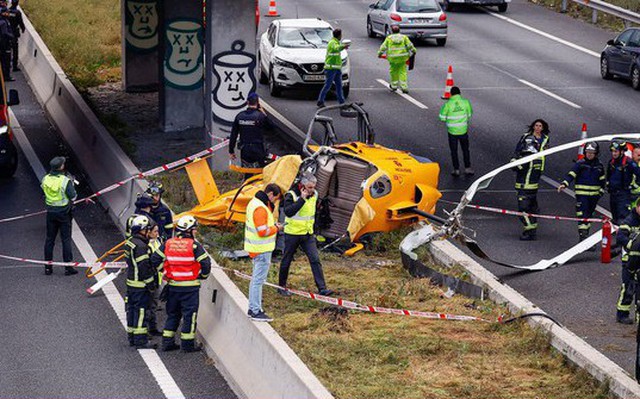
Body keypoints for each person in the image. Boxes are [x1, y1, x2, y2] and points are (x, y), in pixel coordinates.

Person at [151, 215, 211, 352]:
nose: (196, 232)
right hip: (190, 288)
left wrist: (164, 271)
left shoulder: (168, 243)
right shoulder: (194, 245)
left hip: (172, 286)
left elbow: (154, 259)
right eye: (194, 229)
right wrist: (203, 275)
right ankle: (187, 345)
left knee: (173, 314)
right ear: (189, 230)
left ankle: (167, 342)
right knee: (190, 316)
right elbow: (206, 263)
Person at [278, 174, 333, 297]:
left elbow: (313, 213)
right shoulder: (291, 195)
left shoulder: (315, 194)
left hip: (307, 234)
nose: (312, 190)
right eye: (309, 187)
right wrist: (302, 199)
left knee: (315, 259)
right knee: (287, 259)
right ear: (302, 186)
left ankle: (322, 288)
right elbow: (288, 212)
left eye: (313, 187)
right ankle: (281, 286)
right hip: (292, 233)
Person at [245, 183, 283, 322]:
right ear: (270, 194)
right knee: (258, 281)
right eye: (275, 198)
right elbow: (263, 231)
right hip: (261, 249)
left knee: (256, 280)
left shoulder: (254, 203)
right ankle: (255, 310)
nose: (274, 202)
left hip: (256, 248)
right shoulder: (260, 208)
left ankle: (253, 308)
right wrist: (276, 228)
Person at [558, 141, 605, 244]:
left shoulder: (599, 166)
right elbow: (571, 174)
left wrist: (601, 192)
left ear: (596, 153)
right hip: (582, 195)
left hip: (594, 196)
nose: (589, 154)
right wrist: (564, 184)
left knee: (589, 216)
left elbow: (602, 181)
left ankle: (585, 236)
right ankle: (583, 237)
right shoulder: (580, 164)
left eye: (592, 153)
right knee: (582, 215)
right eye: (588, 152)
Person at [511, 119, 550, 241]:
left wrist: (517, 164)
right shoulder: (525, 137)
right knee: (531, 207)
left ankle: (529, 229)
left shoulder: (544, 139)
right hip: (530, 178)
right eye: (536, 125)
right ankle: (531, 228)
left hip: (530, 178)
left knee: (524, 208)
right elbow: (517, 151)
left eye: (540, 126)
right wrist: (515, 160)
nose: (538, 128)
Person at [124, 215, 157, 349]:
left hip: (131, 283)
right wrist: (151, 284)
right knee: (141, 312)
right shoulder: (142, 246)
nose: (149, 232)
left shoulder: (130, 242)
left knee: (131, 311)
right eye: (148, 229)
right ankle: (140, 340)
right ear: (142, 230)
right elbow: (144, 267)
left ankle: (132, 337)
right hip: (140, 285)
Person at [42, 156, 78, 275]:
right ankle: (68, 267)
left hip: (50, 213)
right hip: (64, 213)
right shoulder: (65, 180)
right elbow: (73, 196)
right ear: (61, 167)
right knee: (66, 240)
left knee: (49, 239)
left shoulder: (45, 179)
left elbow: (43, 192)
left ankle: (48, 267)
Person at [229, 92, 273, 178]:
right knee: (260, 175)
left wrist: (231, 150)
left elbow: (233, 134)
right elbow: (271, 128)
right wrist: (264, 113)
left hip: (245, 150)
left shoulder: (239, 116)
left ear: (247, 103)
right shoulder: (260, 116)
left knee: (247, 173)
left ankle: (246, 189)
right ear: (257, 103)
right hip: (258, 149)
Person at [438, 86, 474, 177]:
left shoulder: (447, 105)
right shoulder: (466, 103)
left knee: (454, 151)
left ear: (451, 94)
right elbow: (469, 114)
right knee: (465, 150)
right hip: (463, 131)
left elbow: (441, 118)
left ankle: (456, 169)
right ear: (459, 93)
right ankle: (467, 168)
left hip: (452, 132)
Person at [616, 199, 640, 324]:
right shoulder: (629, 221)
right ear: (637, 207)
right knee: (628, 287)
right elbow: (620, 237)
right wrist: (633, 245)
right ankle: (622, 313)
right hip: (629, 261)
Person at [377, 25, 416, 93]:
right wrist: (414, 51)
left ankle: (394, 86)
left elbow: (383, 47)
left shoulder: (389, 38)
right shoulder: (404, 37)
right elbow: (410, 45)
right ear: (399, 30)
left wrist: (379, 54)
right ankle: (404, 87)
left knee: (393, 71)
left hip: (393, 58)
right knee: (402, 72)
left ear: (392, 31)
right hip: (403, 58)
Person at [316, 28, 349, 108]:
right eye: (341, 34)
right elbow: (336, 48)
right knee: (328, 85)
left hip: (336, 69)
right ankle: (320, 101)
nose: (342, 36)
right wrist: (343, 47)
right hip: (331, 69)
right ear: (339, 35)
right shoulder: (332, 42)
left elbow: (337, 49)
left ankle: (342, 102)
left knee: (339, 86)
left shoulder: (336, 42)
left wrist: (342, 47)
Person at [607, 141, 636, 225]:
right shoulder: (611, 162)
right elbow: (608, 175)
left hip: (623, 195)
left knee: (623, 218)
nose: (613, 154)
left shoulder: (629, 163)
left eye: (616, 151)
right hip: (613, 194)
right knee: (615, 218)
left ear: (622, 151)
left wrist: (634, 186)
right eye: (612, 151)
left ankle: (625, 236)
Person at [146, 223, 163, 337]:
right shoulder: (146, 245)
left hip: (157, 279)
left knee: (154, 305)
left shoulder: (158, 242)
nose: (157, 234)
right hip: (150, 279)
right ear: (148, 232)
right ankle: (146, 329)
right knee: (148, 305)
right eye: (155, 231)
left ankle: (153, 328)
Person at [7, 0, 23, 72]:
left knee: (7, 50)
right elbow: (20, 22)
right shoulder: (17, 13)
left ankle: (7, 65)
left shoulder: (7, 11)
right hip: (14, 33)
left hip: (7, 32)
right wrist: (23, 29)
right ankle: (14, 66)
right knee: (15, 50)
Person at [0, 4, 14, 81]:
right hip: (5, 45)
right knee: (6, 61)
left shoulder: (4, 21)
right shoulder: (4, 23)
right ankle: (6, 76)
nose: (8, 14)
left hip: (3, 45)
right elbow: (4, 33)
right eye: (7, 12)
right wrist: (12, 36)